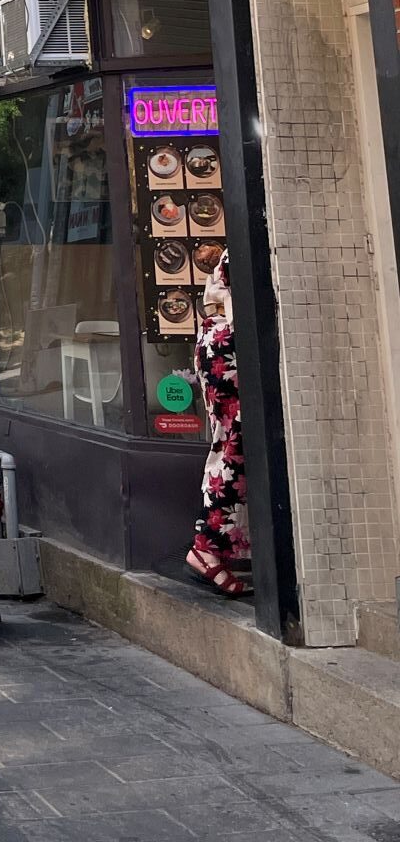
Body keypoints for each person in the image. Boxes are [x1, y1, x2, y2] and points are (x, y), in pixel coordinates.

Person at [186, 249, 250, 595]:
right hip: (229, 345)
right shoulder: (243, 245)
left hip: (223, 340)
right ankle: (207, 547)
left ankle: (214, 546)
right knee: (233, 445)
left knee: (232, 443)